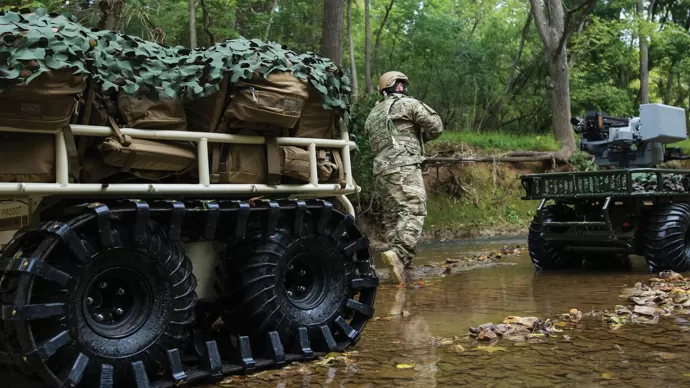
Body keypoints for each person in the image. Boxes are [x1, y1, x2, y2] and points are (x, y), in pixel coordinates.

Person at [364, 71, 444, 284]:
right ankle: (400, 256)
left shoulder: (373, 113)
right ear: (400, 86)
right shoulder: (408, 104)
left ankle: (401, 267)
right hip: (403, 165)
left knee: (393, 216)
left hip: (381, 171)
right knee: (414, 209)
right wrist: (421, 137)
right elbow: (436, 126)